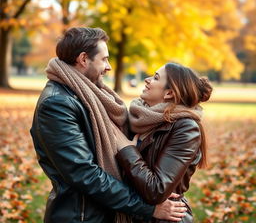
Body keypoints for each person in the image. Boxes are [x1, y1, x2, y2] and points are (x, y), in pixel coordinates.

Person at [30, 27, 187, 223]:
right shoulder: (57, 104)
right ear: (84, 59)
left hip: (105, 212)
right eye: (104, 59)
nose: (109, 67)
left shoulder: (89, 96)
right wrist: (148, 208)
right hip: (81, 217)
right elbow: (85, 174)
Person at [114, 62, 213, 222]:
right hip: (134, 212)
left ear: (169, 93)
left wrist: (127, 150)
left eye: (155, 77)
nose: (147, 79)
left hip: (165, 218)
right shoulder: (137, 119)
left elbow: (157, 189)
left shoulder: (186, 128)